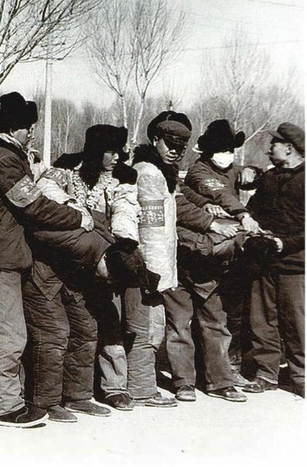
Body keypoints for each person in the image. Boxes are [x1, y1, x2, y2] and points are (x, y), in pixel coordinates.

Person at [0, 92, 88, 427]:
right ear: (15, 128)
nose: (31, 133)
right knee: (8, 335)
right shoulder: (4, 159)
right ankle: (6, 408)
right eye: (29, 128)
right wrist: (75, 217)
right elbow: (31, 205)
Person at [126, 111, 236, 407]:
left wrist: (211, 222)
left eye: (181, 145)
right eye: (170, 143)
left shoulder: (165, 171)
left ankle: (197, 382)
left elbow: (180, 203)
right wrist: (155, 272)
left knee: (172, 325)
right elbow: (151, 228)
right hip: (155, 265)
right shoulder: (148, 173)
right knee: (158, 327)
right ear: (155, 140)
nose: (175, 150)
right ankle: (153, 386)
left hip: (168, 262)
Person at [45, 124, 140, 412]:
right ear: (96, 151)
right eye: (109, 151)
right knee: (67, 328)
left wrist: (125, 239)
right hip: (65, 259)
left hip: (102, 257)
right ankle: (61, 391)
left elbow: (125, 208)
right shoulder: (66, 168)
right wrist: (74, 206)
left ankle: (114, 386)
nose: (116, 157)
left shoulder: (123, 177)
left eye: (118, 151)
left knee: (109, 322)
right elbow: (45, 188)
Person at [166, 119, 250, 403]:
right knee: (180, 324)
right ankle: (184, 382)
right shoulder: (200, 172)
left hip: (209, 264)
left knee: (215, 321)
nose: (229, 154)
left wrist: (253, 173)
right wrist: (237, 215)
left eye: (231, 149)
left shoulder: (228, 170)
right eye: (223, 149)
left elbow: (233, 181)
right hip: (185, 256)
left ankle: (220, 381)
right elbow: (215, 193)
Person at [242, 122, 304, 398]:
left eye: (274, 145)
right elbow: (252, 210)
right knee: (262, 319)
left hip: (296, 264)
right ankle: (266, 374)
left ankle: (301, 376)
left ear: (288, 148)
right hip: (264, 261)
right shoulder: (269, 178)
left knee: (296, 322)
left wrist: (285, 242)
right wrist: (252, 227)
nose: (269, 150)